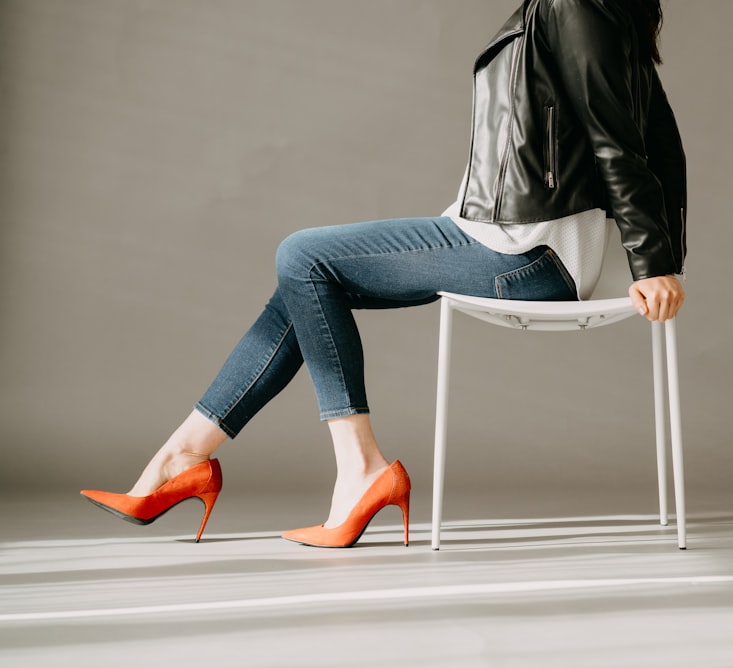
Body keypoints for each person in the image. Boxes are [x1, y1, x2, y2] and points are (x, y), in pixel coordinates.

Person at [80, 0, 687, 547]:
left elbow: (622, 145)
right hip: (510, 238)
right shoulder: (588, 9)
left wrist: (655, 263)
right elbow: (659, 140)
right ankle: (181, 457)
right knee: (301, 287)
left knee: (304, 257)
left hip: (524, 253)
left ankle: (359, 469)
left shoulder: (575, 4)